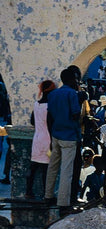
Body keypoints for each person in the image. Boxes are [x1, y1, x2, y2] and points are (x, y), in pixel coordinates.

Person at [45, 68, 81, 215]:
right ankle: (63, 203)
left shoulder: (53, 94)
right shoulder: (72, 94)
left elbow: (50, 116)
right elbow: (75, 114)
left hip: (56, 134)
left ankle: (48, 195)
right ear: (72, 79)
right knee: (67, 170)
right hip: (69, 136)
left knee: (52, 166)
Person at [27, 80, 56, 199]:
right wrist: (52, 142)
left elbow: (32, 121)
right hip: (47, 139)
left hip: (37, 139)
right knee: (46, 170)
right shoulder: (50, 106)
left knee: (33, 167)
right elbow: (50, 124)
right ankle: (46, 194)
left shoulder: (36, 104)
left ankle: (28, 191)